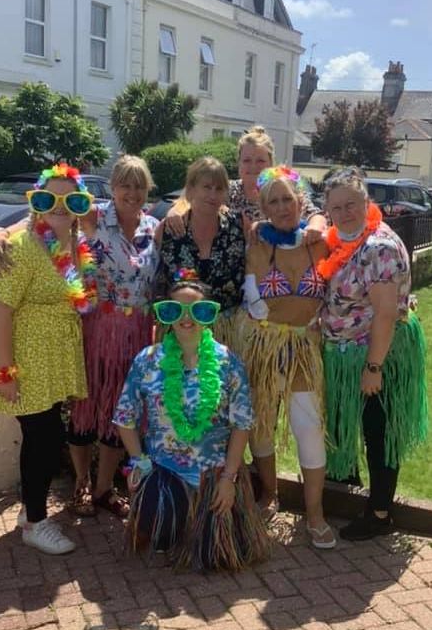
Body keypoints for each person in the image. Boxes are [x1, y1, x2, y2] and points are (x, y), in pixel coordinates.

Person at [113, 275, 270, 570]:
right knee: (159, 530)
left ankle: (200, 524)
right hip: (165, 468)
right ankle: (169, 518)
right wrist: (139, 464)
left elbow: (242, 424)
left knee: (213, 559)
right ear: (166, 315)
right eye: (175, 310)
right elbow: (124, 417)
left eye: (198, 310)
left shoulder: (228, 362)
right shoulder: (148, 360)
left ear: (209, 315)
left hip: (214, 473)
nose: (187, 318)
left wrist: (229, 479)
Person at [0, 164, 95, 555]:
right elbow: (1, 313)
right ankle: (35, 522)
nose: (60, 207)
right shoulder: (22, 246)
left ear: (81, 205)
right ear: (36, 202)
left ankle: (29, 511)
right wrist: (4, 371)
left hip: (53, 356)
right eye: (49, 199)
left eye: (71, 200)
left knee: (40, 437)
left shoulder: (71, 243)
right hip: (26, 358)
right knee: (45, 439)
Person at [319, 168, 428, 540]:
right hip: (345, 353)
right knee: (347, 425)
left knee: (378, 432)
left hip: (377, 353)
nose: (344, 212)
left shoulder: (378, 246)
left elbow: (385, 313)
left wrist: (374, 367)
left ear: (366, 202)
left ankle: (380, 513)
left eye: (352, 204)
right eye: (336, 207)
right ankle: (345, 488)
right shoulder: (339, 238)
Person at [240, 166, 335, 549]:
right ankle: (270, 494)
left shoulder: (320, 243)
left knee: (308, 428)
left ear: (300, 202)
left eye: (287, 199)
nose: (282, 207)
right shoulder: (257, 245)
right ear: (264, 208)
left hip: (305, 350)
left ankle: (315, 514)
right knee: (261, 425)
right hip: (266, 349)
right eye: (274, 202)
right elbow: (253, 300)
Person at [68, 155, 161, 517]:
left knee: (122, 409)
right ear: (112, 186)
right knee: (86, 406)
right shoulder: (93, 218)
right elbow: (45, 214)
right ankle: (81, 483)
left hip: (136, 333)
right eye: (125, 184)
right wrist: (2, 235)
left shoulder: (155, 227)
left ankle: (104, 488)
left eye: (139, 186)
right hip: (98, 330)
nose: (132, 193)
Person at [165, 126, 326, 241]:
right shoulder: (228, 189)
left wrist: (315, 228)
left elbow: (316, 215)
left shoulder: (285, 190)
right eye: (247, 160)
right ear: (239, 164)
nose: (253, 167)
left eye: (260, 161)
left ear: (271, 163)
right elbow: (191, 198)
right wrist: (174, 212)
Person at [157, 156, 245, 347]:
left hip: (226, 335)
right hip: (179, 332)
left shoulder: (239, 226)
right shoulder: (168, 229)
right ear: (191, 189)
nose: (213, 194)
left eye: (219, 188)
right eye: (207, 187)